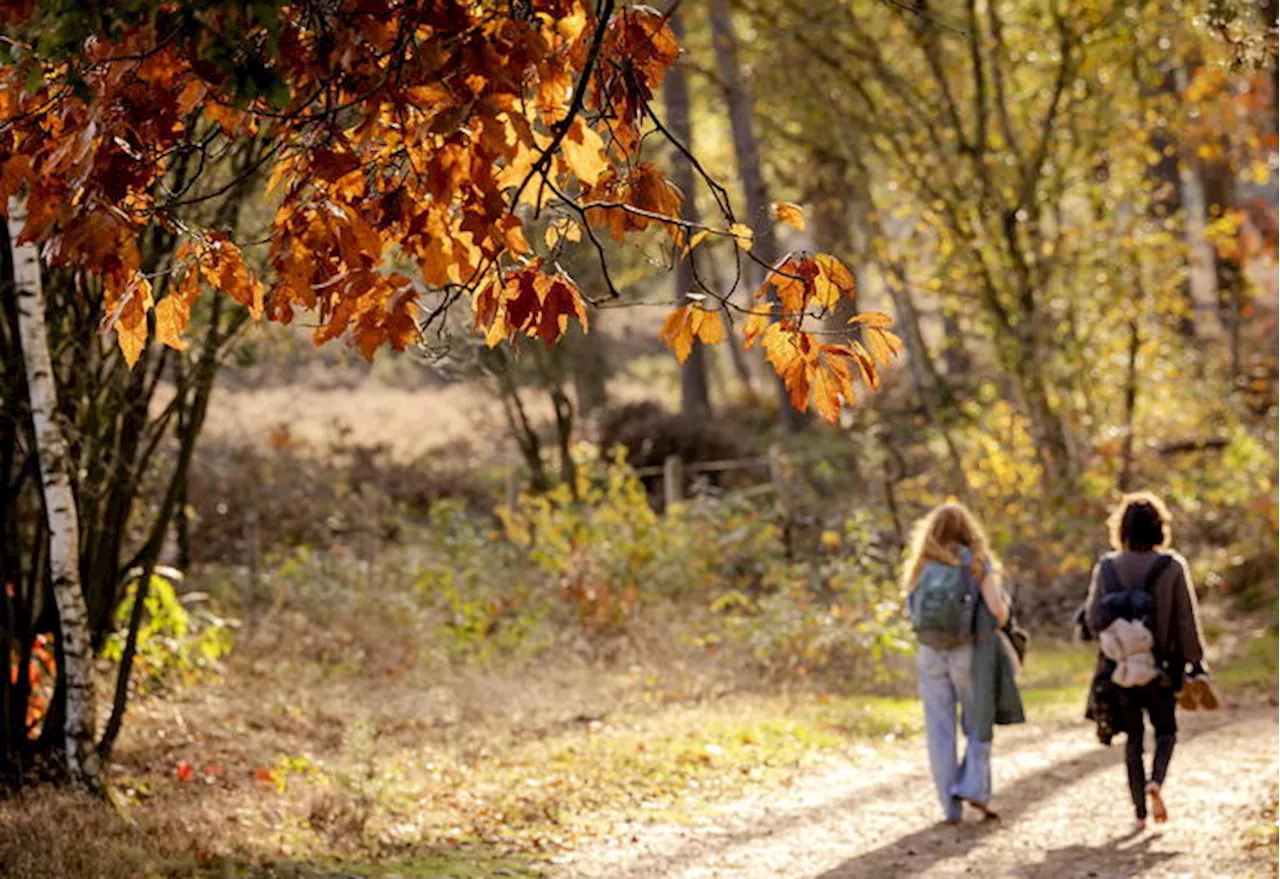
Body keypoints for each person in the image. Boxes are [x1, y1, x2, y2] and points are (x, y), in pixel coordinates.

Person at [1084, 492, 1207, 831]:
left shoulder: (1107, 567)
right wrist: (1195, 662)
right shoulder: (1172, 567)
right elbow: (1186, 620)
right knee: (1166, 730)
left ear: (1121, 528)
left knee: (1134, 738)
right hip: (1162, 668)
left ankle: (1139, 814)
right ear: (1159, 527)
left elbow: (1094, 619)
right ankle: (1157, 780)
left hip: (1119, 669)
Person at [904, 503, 1025, 826]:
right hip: (967, 652)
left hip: (929, 652)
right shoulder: (975, 563)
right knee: (976, 722)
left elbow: (910, 609)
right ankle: (973, 786)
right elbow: (998, 610)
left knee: (939, 729)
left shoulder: (921, 564)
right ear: (969, 529)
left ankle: (949, 807)